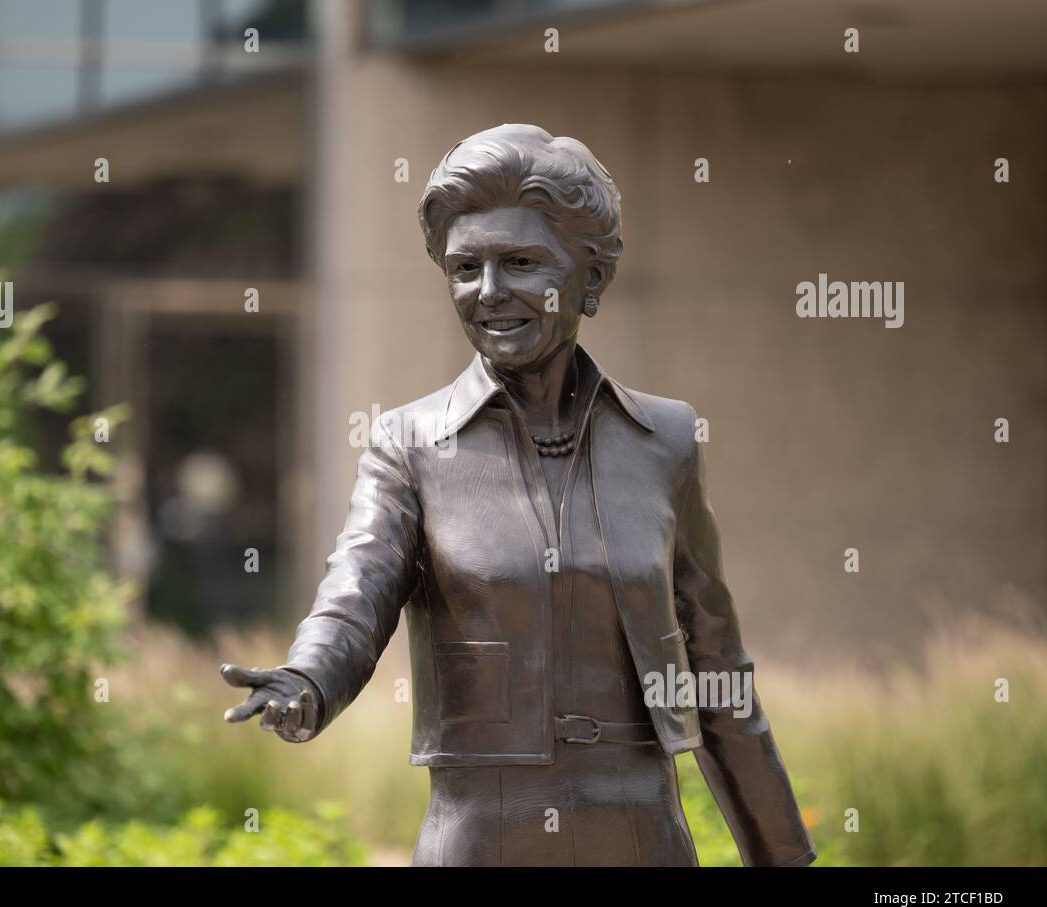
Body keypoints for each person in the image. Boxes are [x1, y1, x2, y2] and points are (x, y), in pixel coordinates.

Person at [222, 124, 816, 867]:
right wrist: (309, 677)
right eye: (465, 267)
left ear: (590, 279)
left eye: (522, 263)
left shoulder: (664, 440)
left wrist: (783, 855)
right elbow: (358, 587)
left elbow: (718, 671)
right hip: (481, 836)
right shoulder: (410, 444)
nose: (489, 293)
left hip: (640, 837)